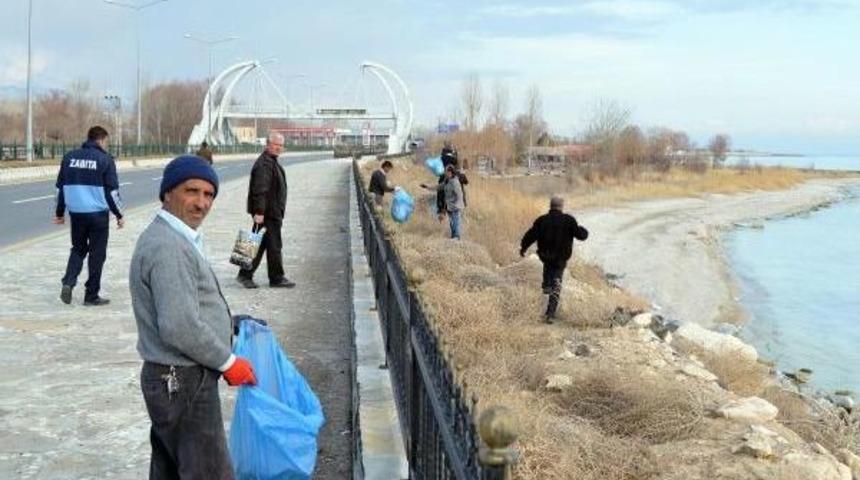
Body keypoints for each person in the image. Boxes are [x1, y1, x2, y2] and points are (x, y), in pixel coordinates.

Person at [130, 155, 257, 479]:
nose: (201, 203)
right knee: (208, 473)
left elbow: (187, 305)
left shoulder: (175, 237)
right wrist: (228, 361)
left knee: (170, 470)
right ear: (168, 194)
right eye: (191, 191)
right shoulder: (168, 247)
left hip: (174, 380)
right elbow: (179, 325)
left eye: (208, 194)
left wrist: (229, 323)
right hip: (183, 381)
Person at [54, 125, 124, 306]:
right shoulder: (105, 159)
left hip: (76, 213)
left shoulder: (69, 157)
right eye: (106, 142)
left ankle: (68, 282)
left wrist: (59, 212)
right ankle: (91, 295)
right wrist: (119, 214)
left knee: (77, 248)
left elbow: (60, 188)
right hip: (98, 214)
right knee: (97, 253)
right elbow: (112, 191)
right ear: (101, 140)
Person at [237, 132, 295, 289]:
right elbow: (260, 190)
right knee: (272, 245)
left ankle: (245, 274)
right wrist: (259, 212)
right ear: (268, 144)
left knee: (258, 243)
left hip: (271, 211)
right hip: (268, 213)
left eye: (281, 145)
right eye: (275, 144)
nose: (278, 148)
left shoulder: (271, 161)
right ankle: (276, 278)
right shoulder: (265, 164)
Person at [519, 196, 589, 324]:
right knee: (557, 284)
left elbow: (530, 235)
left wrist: (523, 248)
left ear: (550, 206)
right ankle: (550, 313)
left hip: (545, 257)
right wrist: (584, 230)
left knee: (548, 276)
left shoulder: (542, 220)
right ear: (561, 206)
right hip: (561, 259)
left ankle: (546, 286)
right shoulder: (569, 220)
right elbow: (581, 235)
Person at [420, 164, 465, 239]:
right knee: (451, 222)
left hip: (456, 205)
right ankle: (453, 237)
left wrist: (456, 204)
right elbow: (438, 187)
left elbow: (459, 195)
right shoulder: (447, 181)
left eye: (446, 172)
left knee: (455, 221)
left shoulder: (455, 182)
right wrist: (427, 187)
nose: (445, 173)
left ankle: (457, 237)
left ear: (450, 172)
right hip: (449, 206)